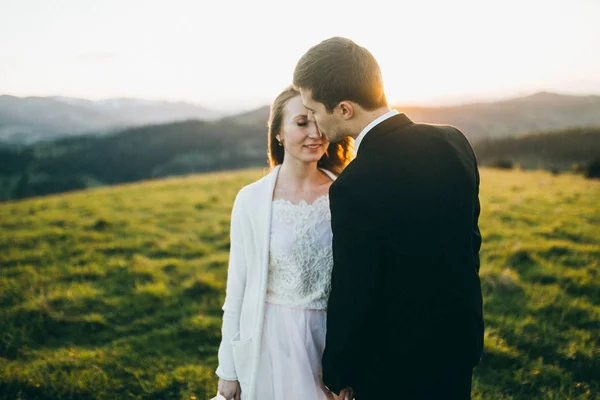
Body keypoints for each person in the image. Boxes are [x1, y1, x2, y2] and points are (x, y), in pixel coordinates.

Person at [293, 37, 484, 400]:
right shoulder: (453, 141)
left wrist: (339, 370)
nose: (314, 121)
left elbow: (356, 289)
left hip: (393, 365)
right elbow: (469, 242)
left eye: (314, 110)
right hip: (459, 342)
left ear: (345, 109)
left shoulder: (354, 186)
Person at [214, 85, 354, 400]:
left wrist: (351, 365)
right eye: (301, 122)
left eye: (318, 120)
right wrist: (228, 371)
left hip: (330, 345)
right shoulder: (251, 200)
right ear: (278, 132)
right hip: (269, 344)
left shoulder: (347, 194)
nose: (314, 132)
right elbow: (237, 290)